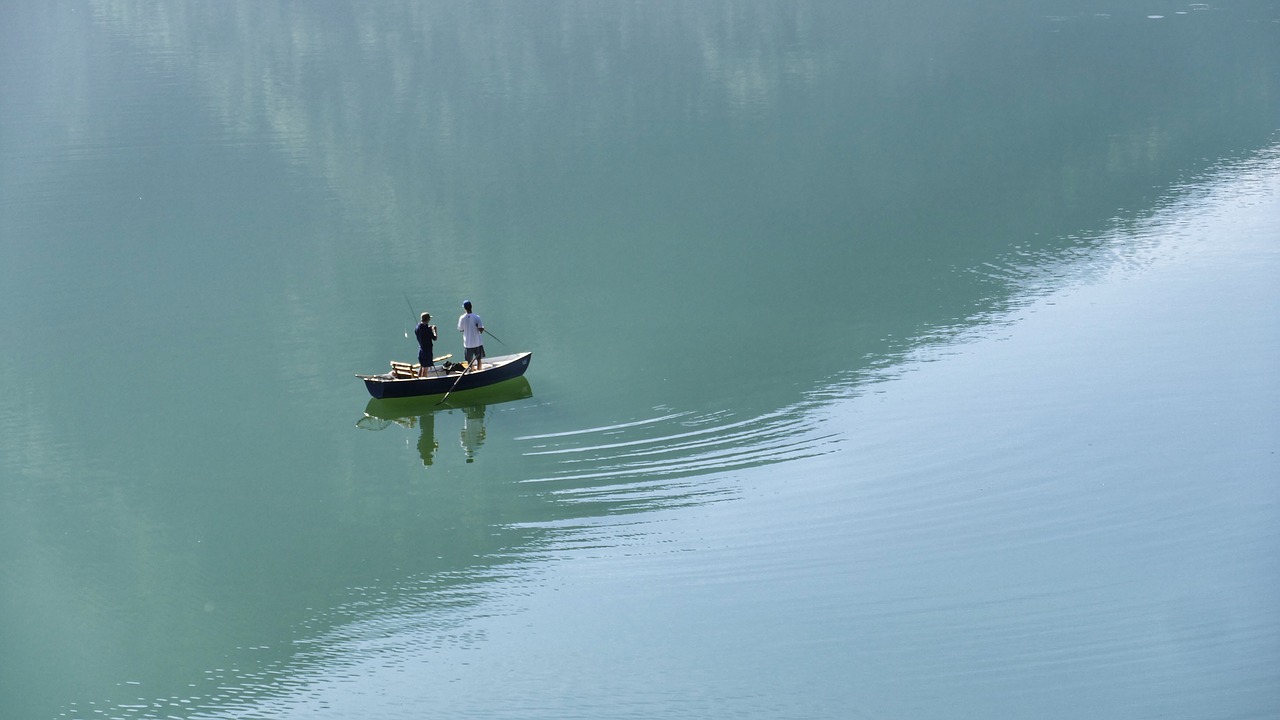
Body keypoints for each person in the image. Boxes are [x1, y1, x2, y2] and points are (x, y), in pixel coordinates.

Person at [457, 300, 485, 371]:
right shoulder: (477, 317)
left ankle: (472, 371)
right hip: (477, 342)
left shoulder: (462, 318)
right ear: (471, 307)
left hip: (468, 343)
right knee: (479, 359)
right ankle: (479, 370)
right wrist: (482, 328)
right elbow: (481, 330)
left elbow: (461, 329)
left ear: (464, 308)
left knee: (469, 361)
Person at [414, 312, 438, 377]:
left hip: (421, 350)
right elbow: (435, 338)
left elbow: (423, 332)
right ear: (428, 319)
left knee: (421, 366)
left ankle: (418, 380)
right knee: (425, 368)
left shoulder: (417, 328)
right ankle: (424, 381)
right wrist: (434, 330)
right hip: (427, 351)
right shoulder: (427, 330)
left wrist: (428, 328)